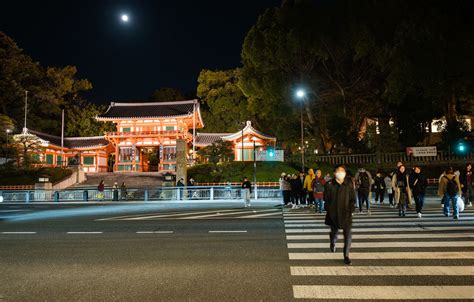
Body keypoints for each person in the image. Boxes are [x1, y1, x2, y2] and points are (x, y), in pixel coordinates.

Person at [324, 164, 356, 265]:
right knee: (334, 233)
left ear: (345, 173)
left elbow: (352, 199)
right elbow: (326, 199)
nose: (340, 173)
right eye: (338, 171)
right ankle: (332, 242)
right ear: (334, 173)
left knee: (348, 236)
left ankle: (346, 256)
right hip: (333, 214)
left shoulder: (349, 183)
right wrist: (329, 209)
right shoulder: (329, 184)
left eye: (342, 171)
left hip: (346, 213)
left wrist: (351, 209)